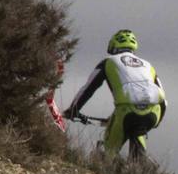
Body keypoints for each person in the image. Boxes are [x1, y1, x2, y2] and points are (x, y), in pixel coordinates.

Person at [65, 29, 167, 159]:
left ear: (113, 45)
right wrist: (155, 122)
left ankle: (110, 168)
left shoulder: (108, 62)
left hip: (126, 112)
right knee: (138, 131)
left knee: (109, 151)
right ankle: (141, 168)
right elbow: (164, 99)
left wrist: (73, 109)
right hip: (154, 112)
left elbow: (89, 88)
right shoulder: (148, 66)